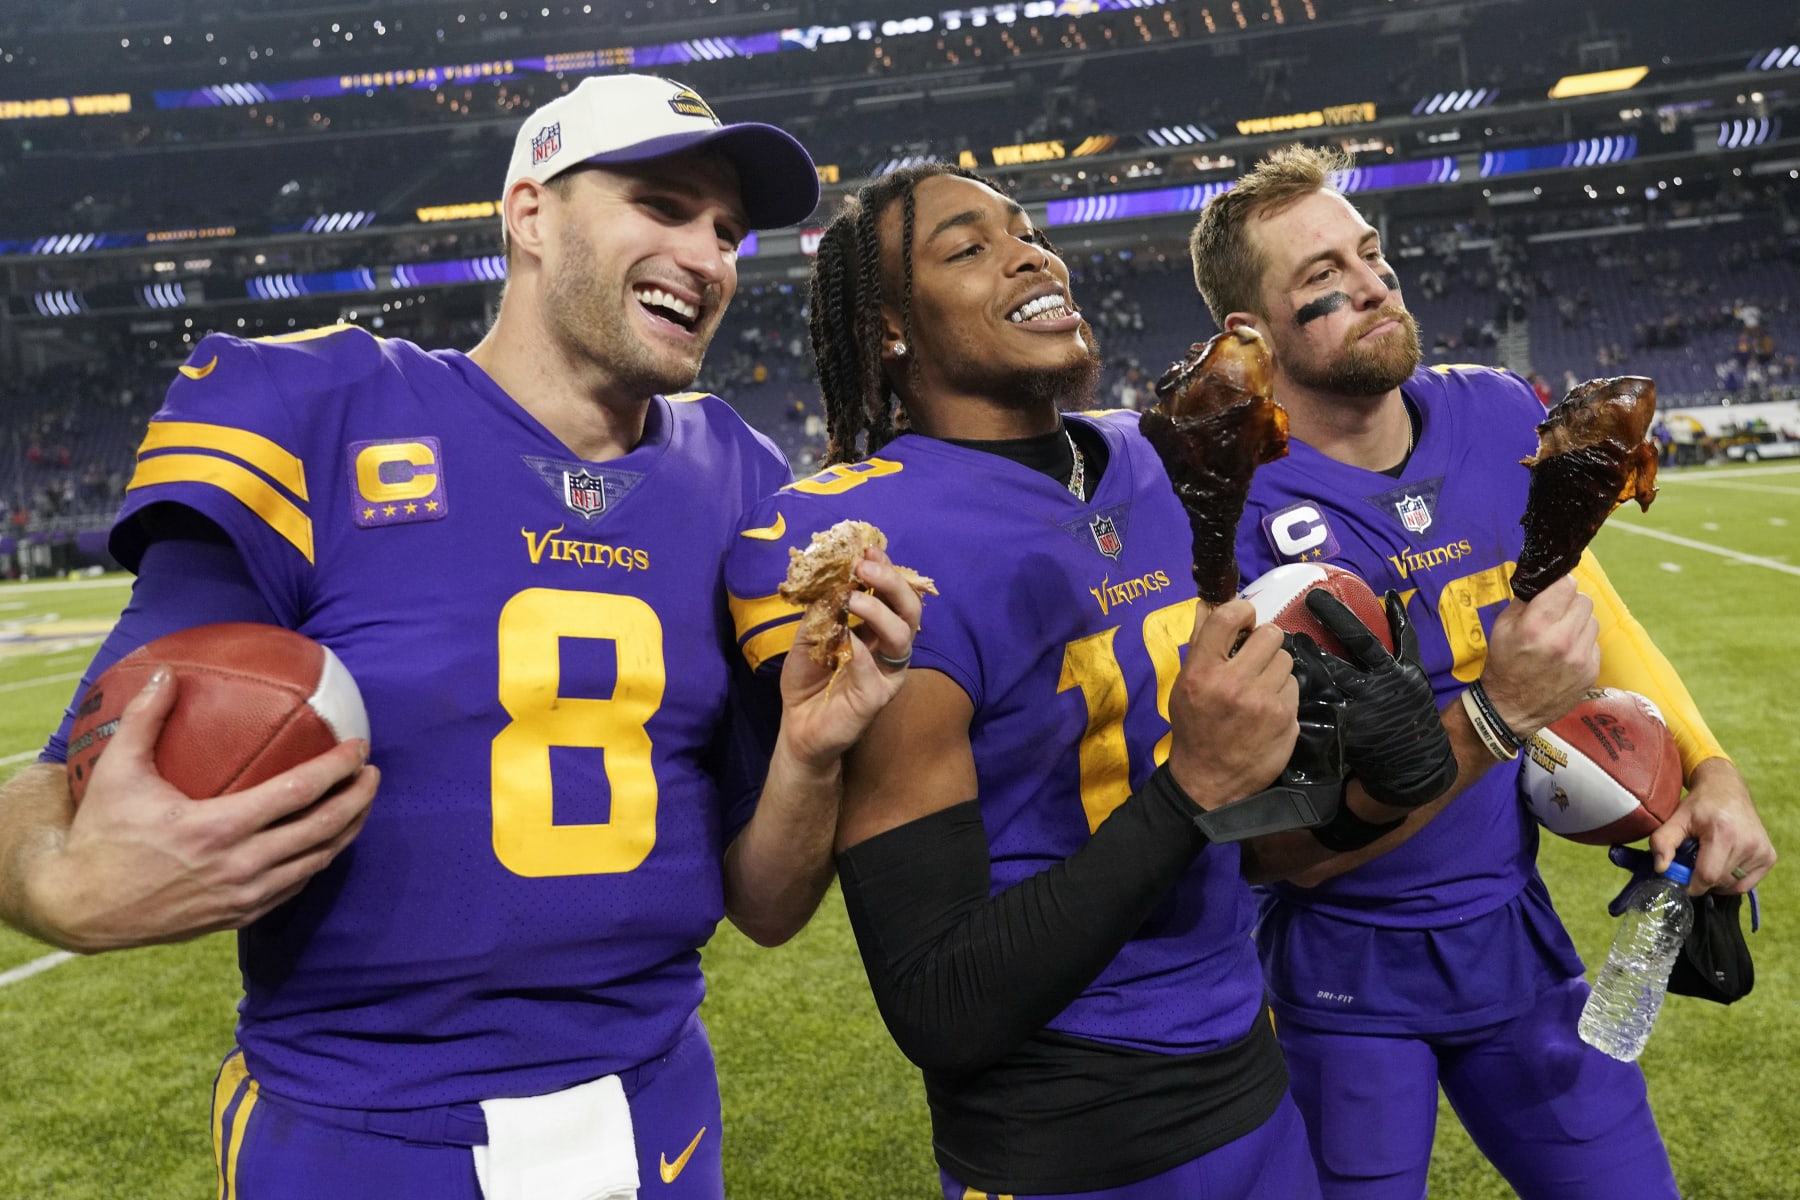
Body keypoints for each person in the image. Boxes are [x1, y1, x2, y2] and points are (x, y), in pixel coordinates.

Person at [0, 74, 925, 1200]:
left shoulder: (741, 476)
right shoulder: (323, 410)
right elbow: (59, 777)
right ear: (530, 213)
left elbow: (768, 908)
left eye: (727, 232)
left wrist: (810, 757)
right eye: (663, 206)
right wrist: (55, 887)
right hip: (359, 1130)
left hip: (659, 1110)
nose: (708, 256)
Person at [722, 163, 1456, 1199]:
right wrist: (1193, 788)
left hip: (1252, 1081)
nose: (1030, 256)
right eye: (968, 247)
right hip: (1069, 1139)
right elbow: (942, 1002)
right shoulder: (875, 545)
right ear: (888, 328)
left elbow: (1237, 843)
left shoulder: (1153, 457)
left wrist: (1373, 791)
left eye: (1028, 233)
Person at [1188, 144, 1777, 1200]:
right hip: (1340, 971)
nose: (1373, 282)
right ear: (1252, 334)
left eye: (1370, 253)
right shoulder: (1234, 504)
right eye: (1323, 277)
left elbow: (1586, 608)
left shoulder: (1498, 410)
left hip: (1515, 938)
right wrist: (1496, 715)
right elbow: (1270, 847)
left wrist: (1711, 770)